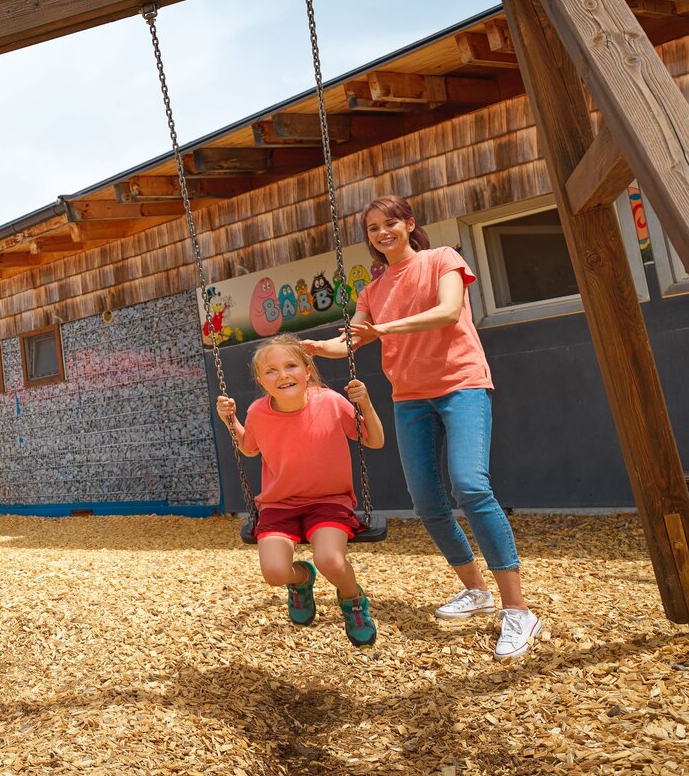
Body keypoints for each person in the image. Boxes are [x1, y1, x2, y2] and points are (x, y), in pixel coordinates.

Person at [305, 194, 543, 660]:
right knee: (427, 502)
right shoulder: (372, 291)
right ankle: (476, 591)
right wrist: (312, 349)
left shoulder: (441, 259)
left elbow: (448, 312)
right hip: (409, 397)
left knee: (471, 486)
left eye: (390, 223)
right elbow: (352, 339)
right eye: (373, 228)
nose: (382, 233)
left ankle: (517, 610)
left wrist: (384, 331)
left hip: (461, 385)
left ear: (409, 224)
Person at [217, 335, 385, 647]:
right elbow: (249, 449)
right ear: (260, 380)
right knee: (275, 573)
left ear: (307, 370)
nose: (282, 375)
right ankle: (302, 579)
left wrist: (366, 404)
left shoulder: (331, 402)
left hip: (329, 501)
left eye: (291, 365)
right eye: (271, 370)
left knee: (331, 560)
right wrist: (231, 421)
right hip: (279, 505)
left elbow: (374, 440)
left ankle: (353, 600)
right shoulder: (257, 412)